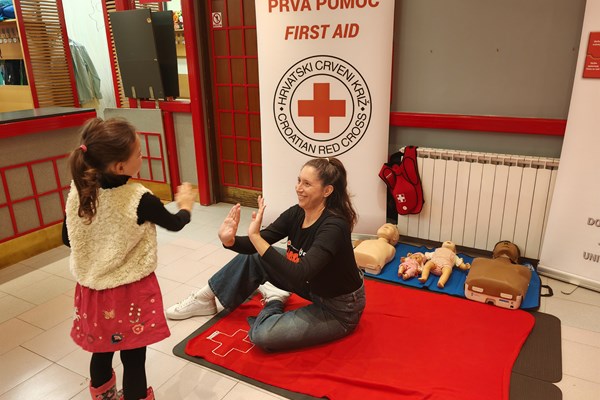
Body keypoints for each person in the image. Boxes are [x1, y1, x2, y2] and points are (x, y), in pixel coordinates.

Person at [166, 157, 366, 352]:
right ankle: (204, 298)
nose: (298, 188)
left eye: (307, 184)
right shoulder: (296, 212)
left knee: (262, 335)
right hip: (313, 286)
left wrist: (255, 238)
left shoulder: (334, 226)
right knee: (256, 256)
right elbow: (259, 243)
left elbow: (300, 273)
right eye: (298, 181)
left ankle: (275, 299)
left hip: (340, 307)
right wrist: (230, 240)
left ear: (327, 190)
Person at [62, 118, 197, 400]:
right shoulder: (139, 198)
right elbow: (174, 223)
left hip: (93, 292)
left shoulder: (79, 191)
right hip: (129, 293)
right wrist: (185, 205)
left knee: (100, 350)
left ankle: (103, 396)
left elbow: (68, 238)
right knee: (133, 358)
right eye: (138, 153)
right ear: (120, 167)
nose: (142, 156)